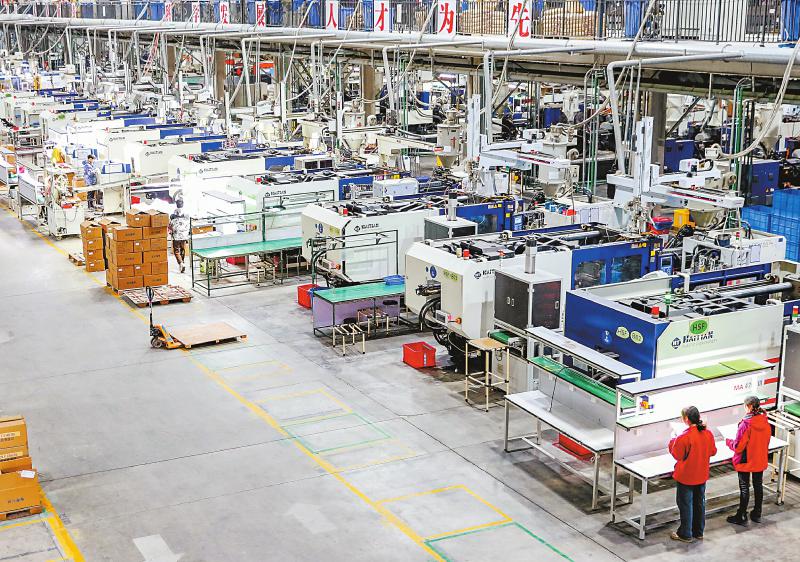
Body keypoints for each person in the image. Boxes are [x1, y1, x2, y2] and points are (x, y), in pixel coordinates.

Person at [668, 405, 717, 543]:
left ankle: (685, 533)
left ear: (686, 419)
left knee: (685, 504)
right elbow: (713, 451)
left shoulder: (684, 436)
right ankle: (698, 531)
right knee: (699, 503)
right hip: (701, 474)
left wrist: (673, 440)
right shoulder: (707, 433)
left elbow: (677, 455)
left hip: (686, 476)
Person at [726, 396, 771, 525]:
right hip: (759, 458)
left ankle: (741, 516)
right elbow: (766, 440)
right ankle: (757, 513)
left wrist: (728, 442)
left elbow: (738, 446)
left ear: (749, 407)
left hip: (745, 460)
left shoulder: (746, 424)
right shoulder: (765, 421)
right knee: (758, 485)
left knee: (744, 487)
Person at [169, 199, 190, 273]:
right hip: (184, 235)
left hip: (176, 236)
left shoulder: (173, 215)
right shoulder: (187, 214)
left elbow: (170, 225)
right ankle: (182, 263)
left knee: (176, 251)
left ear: (176, 204)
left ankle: (181, 263)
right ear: (183, 204)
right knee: (182, 249)